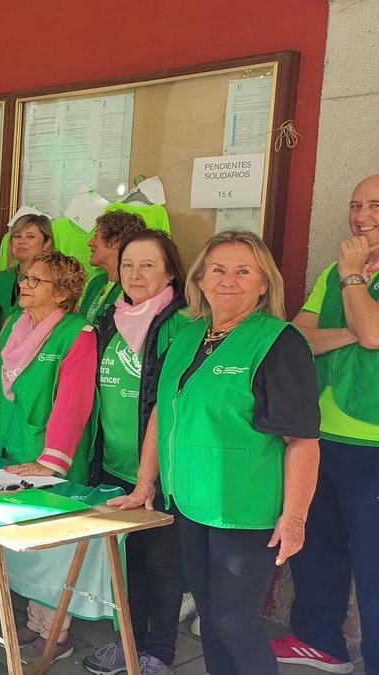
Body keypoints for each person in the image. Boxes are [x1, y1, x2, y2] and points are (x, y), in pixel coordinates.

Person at [112, 231, 320, 675]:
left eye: (244, 271)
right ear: (200, 280)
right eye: (218, 270)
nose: (228, 280)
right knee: (212, 617)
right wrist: (145, 482)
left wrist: (296, 518)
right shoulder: (186, 336)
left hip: (246, 512)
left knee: (234, 621)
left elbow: (302, 441)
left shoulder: (279, 343)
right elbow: (160, 415)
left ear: (264, 284)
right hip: (189, 505)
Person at [0, 250, 96, 661]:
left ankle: (56, 634)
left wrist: (51, 461)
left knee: (51, 550)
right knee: (21, 542)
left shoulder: (79, 333)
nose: (25, 284)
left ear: (62, 293)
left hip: (48, 456)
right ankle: (37, 623)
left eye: (37, 280)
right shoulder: (14, 325)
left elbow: (74, 403)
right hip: (9, 447)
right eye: (25, 277)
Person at [275, 174, 379, 674]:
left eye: (375, 205)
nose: (362, 215)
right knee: (316, 547)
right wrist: (353, 331)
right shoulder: (335, 271)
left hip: (374, 441)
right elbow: (300, 335)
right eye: (356, 204)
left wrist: (355, 278)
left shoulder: (348, 271)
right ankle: (321, 643)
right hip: (322, 434)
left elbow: (375, 333)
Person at [83, 230, 188, 675]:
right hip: (116, 464)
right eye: (128, 264)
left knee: (162, 566)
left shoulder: (180, 324)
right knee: (130, 562)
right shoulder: (112, 316)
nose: (135, 273)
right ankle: (130, 644)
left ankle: (158, 654)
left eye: (148, 264)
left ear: (169, 271)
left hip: (160, 471)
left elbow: (170, 403)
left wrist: (153, 472)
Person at [78, 211, 147, 323]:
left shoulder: (134, 288)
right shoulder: (96, 282)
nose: (90, 243)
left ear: (115, 241)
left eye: (96, 236)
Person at [0, 213, 52, 320]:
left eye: (30, 236)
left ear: (47, 243)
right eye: (17, 236)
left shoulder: (54, 281)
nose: (22, 241)